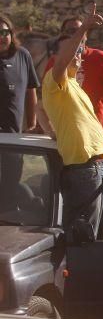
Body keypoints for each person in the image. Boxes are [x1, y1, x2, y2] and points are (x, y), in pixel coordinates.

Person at [41, 4, 103, 242]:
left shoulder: (73, 83)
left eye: (80, 50)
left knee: (99, 236)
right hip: (83, 169)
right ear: (56, 58)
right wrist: (82, 27)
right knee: (83, 239)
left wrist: (83, 35)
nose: (78, 54)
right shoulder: (54, 82)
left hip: (97, 166)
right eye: (72, 50)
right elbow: (63, 60)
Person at [45, 16, 103, 135]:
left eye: (81, 29)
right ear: (63, 35)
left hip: (96, 132)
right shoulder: (55, 62)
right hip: (65, 134)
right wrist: (49, 130)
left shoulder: (101, 58)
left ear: (86, 34)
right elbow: (44, 101)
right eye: (71, 31)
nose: (77, 34)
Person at [0, 15, 40, 211]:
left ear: (11, 33)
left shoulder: (23, 55)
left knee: (11, 182)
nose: (1, 37)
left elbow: (31, 89)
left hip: (14, 136)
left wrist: (31, 122)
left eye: (4, 32)